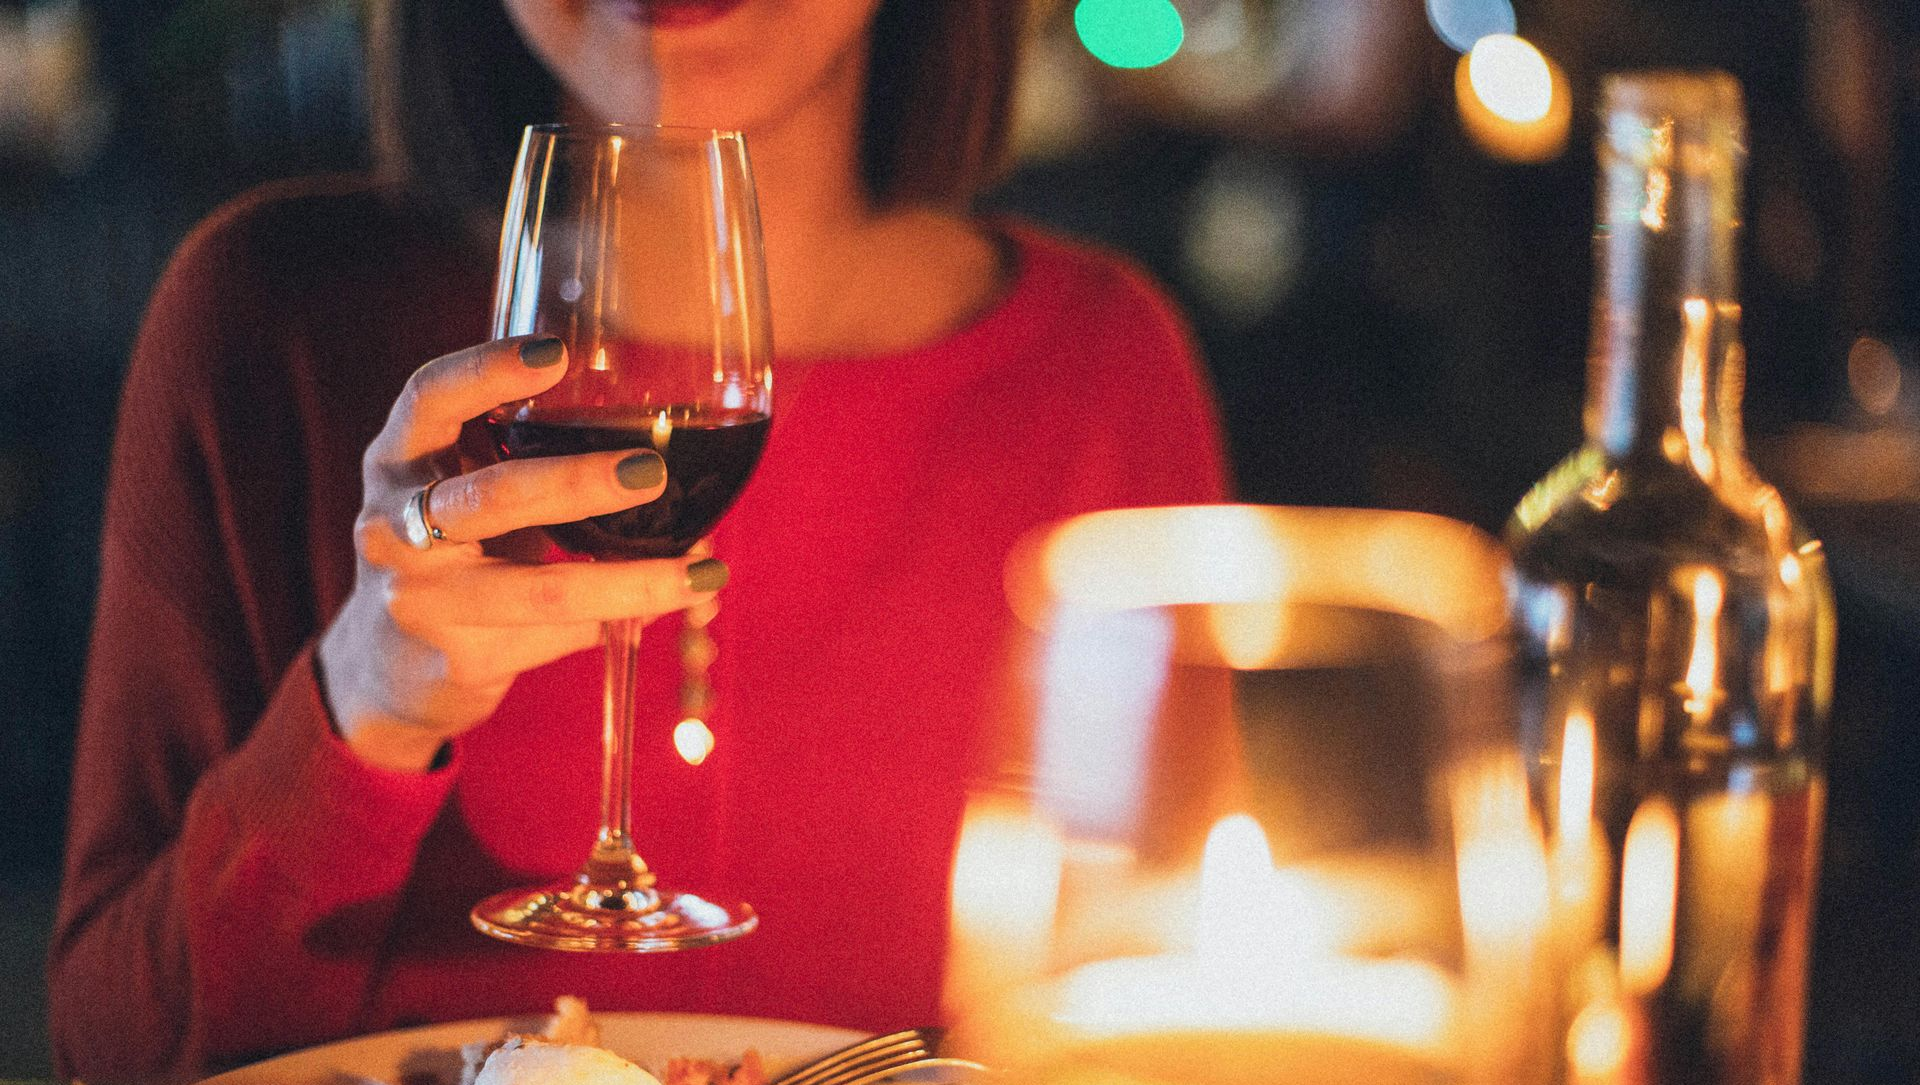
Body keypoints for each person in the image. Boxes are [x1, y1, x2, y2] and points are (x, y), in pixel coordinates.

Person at [48, 1, 1229, 1081]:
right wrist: (360, 711)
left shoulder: (1101, 375)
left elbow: (1173, 1026)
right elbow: (113, 1054)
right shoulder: (264, 318)